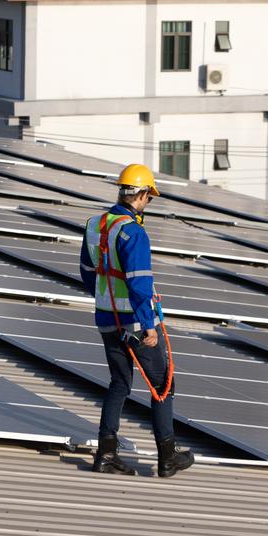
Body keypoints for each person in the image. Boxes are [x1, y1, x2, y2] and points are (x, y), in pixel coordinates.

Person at [79, 163, 193, 477]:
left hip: (106, 318)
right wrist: (149, 325)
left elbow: (88, 274)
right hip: (134, 323)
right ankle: (167, 456)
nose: (148, 203)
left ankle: (106, 453)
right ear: (140, 196)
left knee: (119, 383)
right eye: (149, 198)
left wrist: (106, 301)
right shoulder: (134, 232)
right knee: (163, 385)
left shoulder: (95, 224)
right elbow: (139, 281)